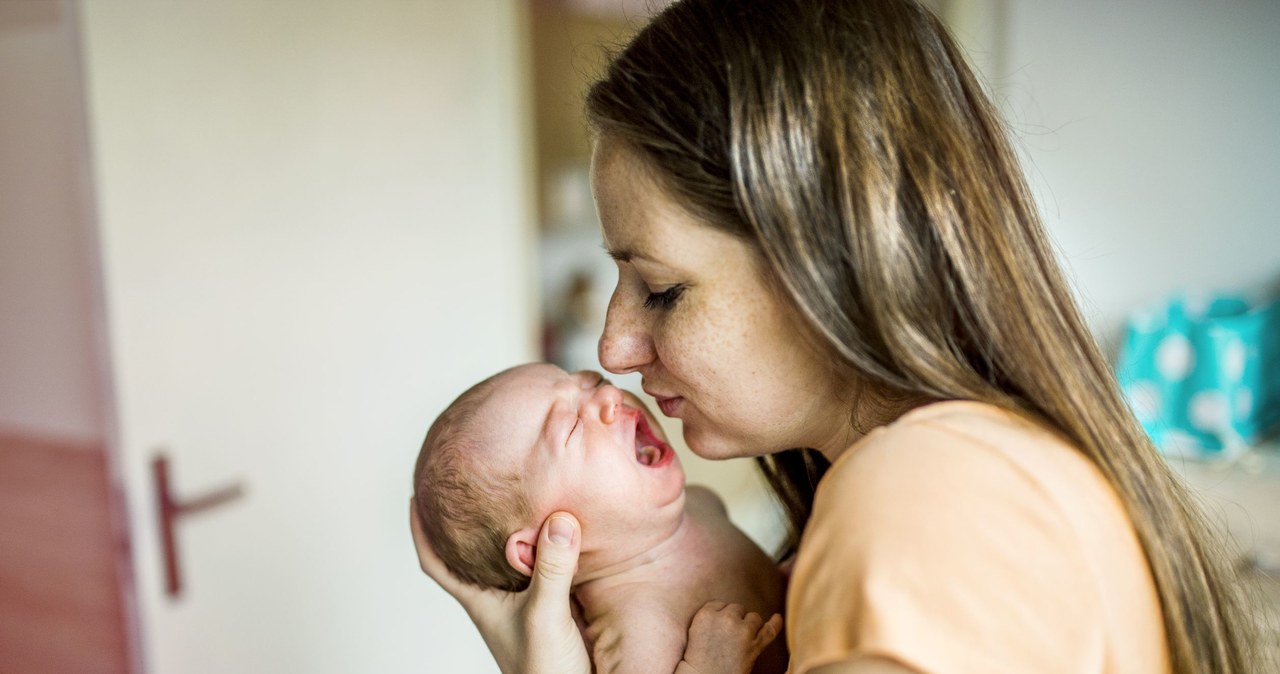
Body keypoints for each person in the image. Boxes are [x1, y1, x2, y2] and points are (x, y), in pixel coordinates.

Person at [410, 0, 1267, 672]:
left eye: (663, 289)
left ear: (828, 259)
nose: (614, 351)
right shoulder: (951, 476)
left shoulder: (923, 499)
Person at [412, 363, 787, 674]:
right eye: (573, 426)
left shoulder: (701, 505)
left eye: (592, 382)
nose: (610, 396)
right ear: (537, 546)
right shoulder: (638, 633)